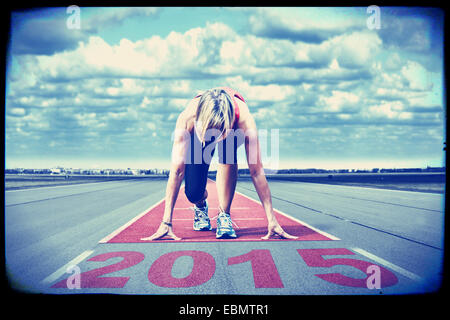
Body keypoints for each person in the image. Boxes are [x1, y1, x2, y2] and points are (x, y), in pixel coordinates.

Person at [142, 87, 297, 241]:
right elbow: (177, 171)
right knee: (193, 192)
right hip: (202, 129)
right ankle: (201, 204)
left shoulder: (244, 121)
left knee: (228, 151)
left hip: (230, 126)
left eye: (221, 132)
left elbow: (256, 172)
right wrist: (166, 222)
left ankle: (224, 215)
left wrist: (272, 220)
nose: (217, 138)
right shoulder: (187, 119)